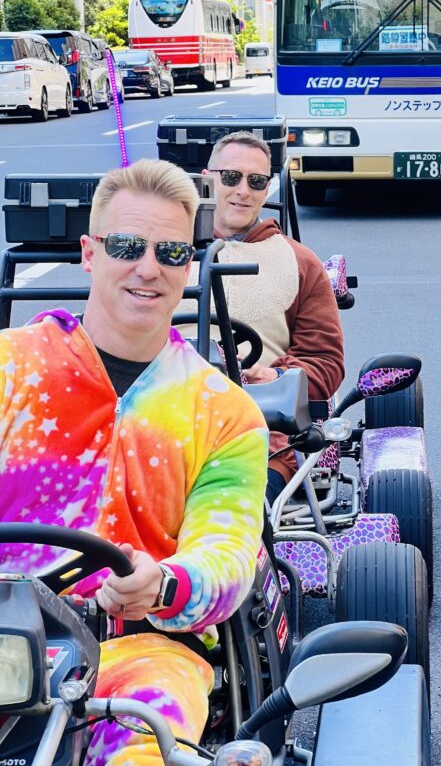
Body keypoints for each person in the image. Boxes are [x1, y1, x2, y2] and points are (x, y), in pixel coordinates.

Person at [0, 159, 268, 766]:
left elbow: (226, 555)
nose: (148, 268)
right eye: (127, 246)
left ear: (190, 265)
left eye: (171, 253)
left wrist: (165, 582)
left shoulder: (225, 413)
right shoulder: (10, 368)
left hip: (141, 654)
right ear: (90, 253)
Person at [199, 130, 344, 504]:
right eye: (230, 178)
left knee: (227, 507)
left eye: (256, 181)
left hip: (257, 432)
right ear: (206, 179)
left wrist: (275, 377)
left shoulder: (299, 262)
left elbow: (326, 362)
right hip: (157, 423)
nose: (242, 191)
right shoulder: (164, 252)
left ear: (267, 190)